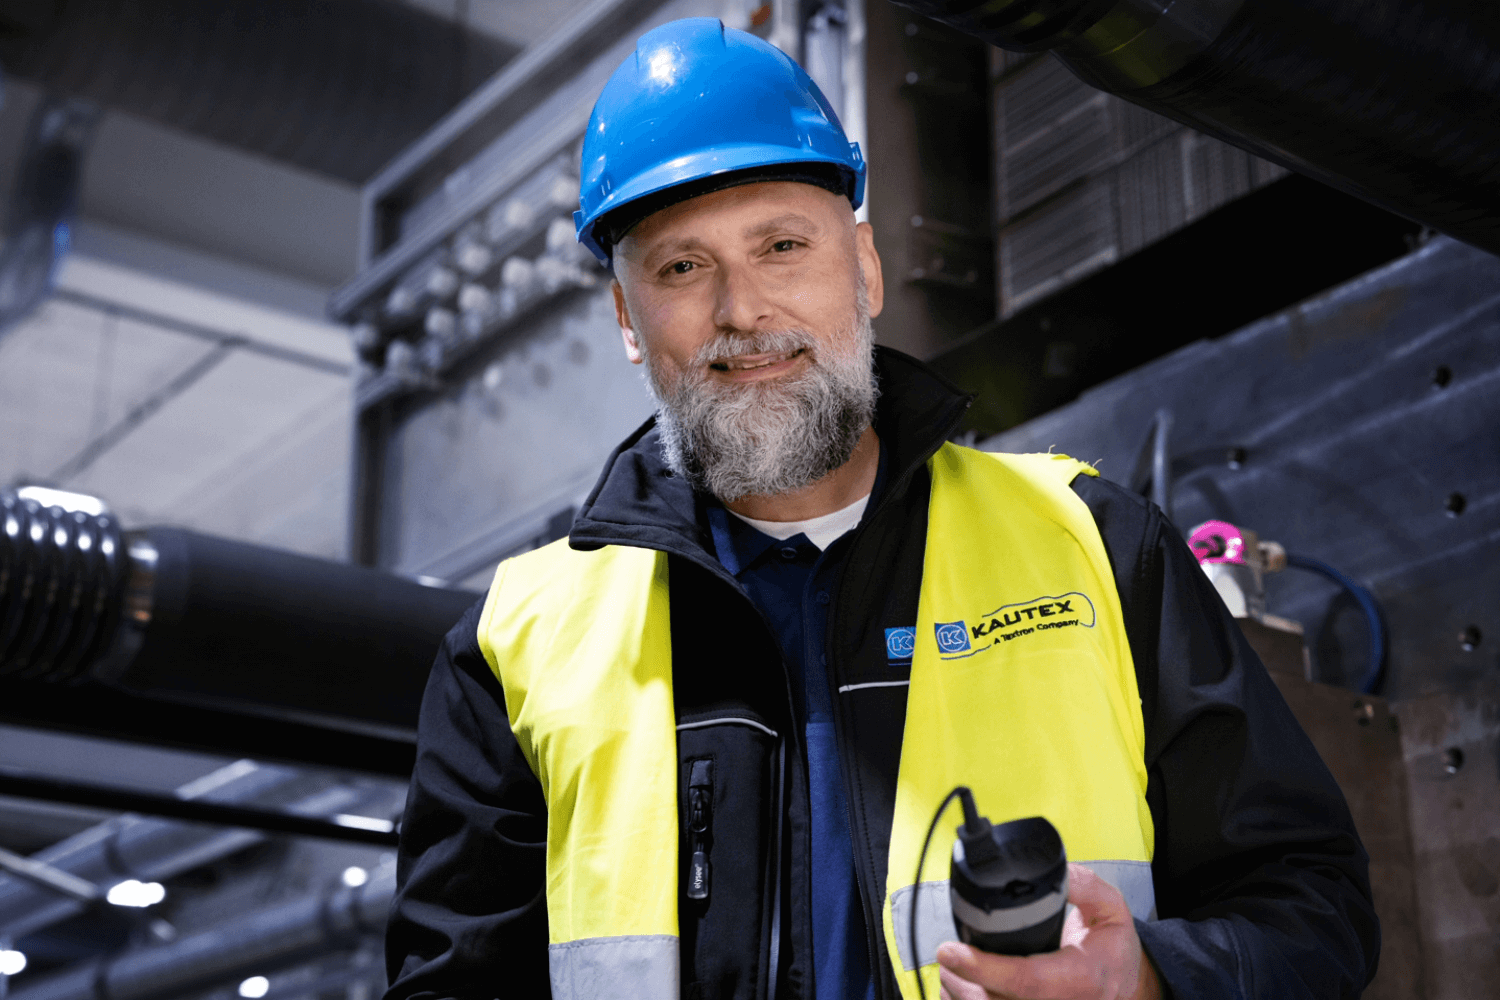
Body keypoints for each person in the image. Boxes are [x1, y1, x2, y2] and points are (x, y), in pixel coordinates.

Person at [383, 18, 1377, 1000]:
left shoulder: (1100, 551)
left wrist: (1154, 977)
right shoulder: (513, 649)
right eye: (681, 267)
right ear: (627, 320)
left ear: (862, 267)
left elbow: (1313, 909)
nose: (741, 308)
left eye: (781, 245)